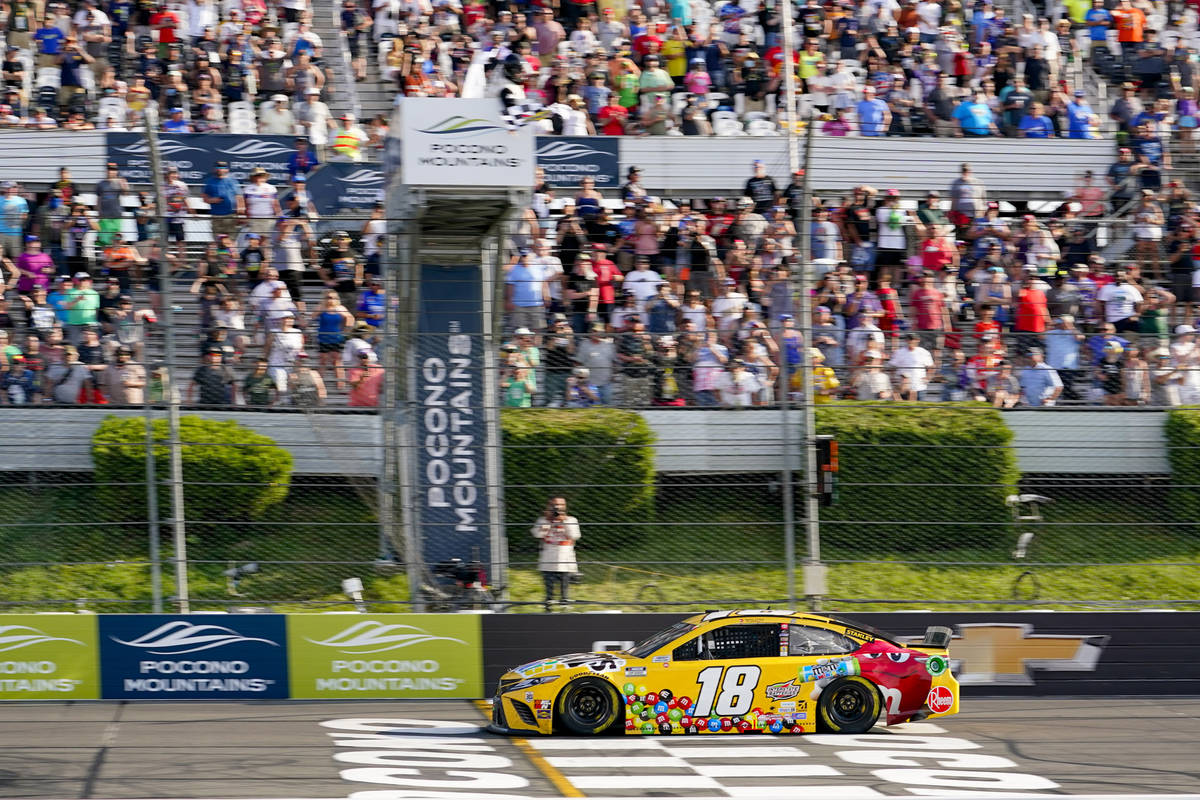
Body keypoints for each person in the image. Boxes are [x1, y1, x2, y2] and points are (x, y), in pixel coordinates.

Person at [531, 496, 581, 612]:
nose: (557, 507)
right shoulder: (543, 520)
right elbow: (537, 535)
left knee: (564, 585)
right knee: (549, 585)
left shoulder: (571, 520)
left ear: (565, 507)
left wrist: (564, 521)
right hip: (549, 556)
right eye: (554, 505)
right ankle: (548, 605)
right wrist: (548, 522)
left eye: (560, 505)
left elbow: (575, 536)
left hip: (565, 555)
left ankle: (564, 604)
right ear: (549, 506)